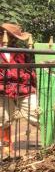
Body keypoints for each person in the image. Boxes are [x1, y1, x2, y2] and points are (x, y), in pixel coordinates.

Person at [0, 23, 38, 159]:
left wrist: (31, 84)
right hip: (2, 91)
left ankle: (54, 138)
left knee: (36, 112)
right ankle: (7, 149)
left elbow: (30, 70)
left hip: (23, 88)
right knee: (3, 118)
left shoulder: (22, 52)